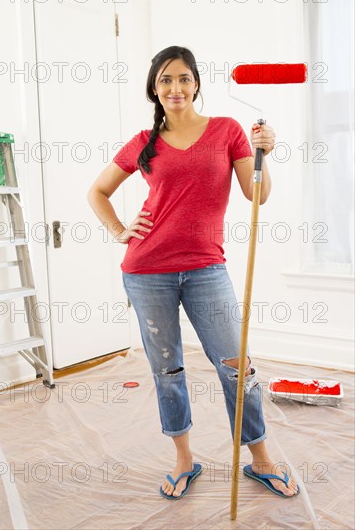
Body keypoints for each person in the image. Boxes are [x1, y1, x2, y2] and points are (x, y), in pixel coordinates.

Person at [87, 46, 299, 500]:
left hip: (206, 268)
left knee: (236, 367)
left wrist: (265, 155)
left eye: (184, 78)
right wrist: (120, 230)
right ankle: (184, 460)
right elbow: (98, 191)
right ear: (155, 88)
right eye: (165, 80)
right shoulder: (144, 141)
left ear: (197, 83)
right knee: (168, 370)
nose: (175, 88)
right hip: (146, 269)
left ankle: (260, 459)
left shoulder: (226, 131)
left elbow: (255, 196)